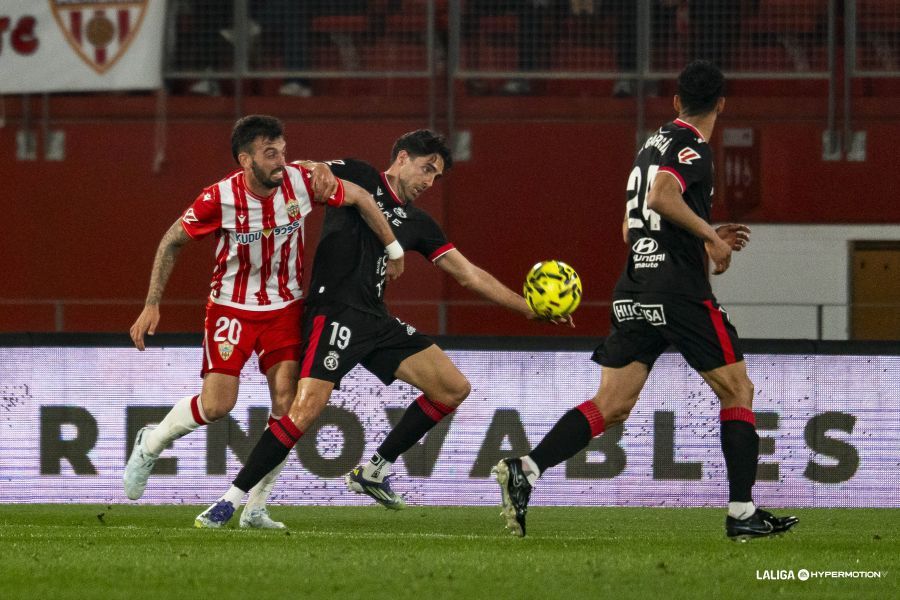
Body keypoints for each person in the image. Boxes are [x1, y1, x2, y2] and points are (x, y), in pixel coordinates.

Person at [194, 129, 572, 527]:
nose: (429, 182)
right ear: (403, 158)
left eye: (436, 177)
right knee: (301, 412)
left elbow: (469, 275)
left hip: (375, 320)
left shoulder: (420, 223)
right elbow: (309, 171)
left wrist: (528, 308)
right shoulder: (360, 174)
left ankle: (375, 470)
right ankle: (229, 501)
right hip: (334, 312)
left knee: (452, 388)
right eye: (426, 169)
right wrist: (317, 167)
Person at [493, 61, 799, 540]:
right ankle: (742, 514)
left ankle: (526, 469)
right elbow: (660, 197)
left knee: (611, 405)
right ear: (721, 103)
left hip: (635, 285)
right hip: (677, 292)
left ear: (676, 101)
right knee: (738, 391)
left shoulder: (649, 146)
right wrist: (711, 241)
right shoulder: (692, 146)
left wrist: (696, 236)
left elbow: (632, 225)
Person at [124, 115, 404, 529]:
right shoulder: (217, 199)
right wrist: (152, 305)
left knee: (287, 405)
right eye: (270, 153)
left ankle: (255, 508)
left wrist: (394, 249)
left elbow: (362, 196)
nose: (280, 161)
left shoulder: (300, 183)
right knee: (219, 405)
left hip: (286, 308)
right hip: (230, 308)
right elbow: (171, 241)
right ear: (245, 160)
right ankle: (152, 441)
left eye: (284, 152)